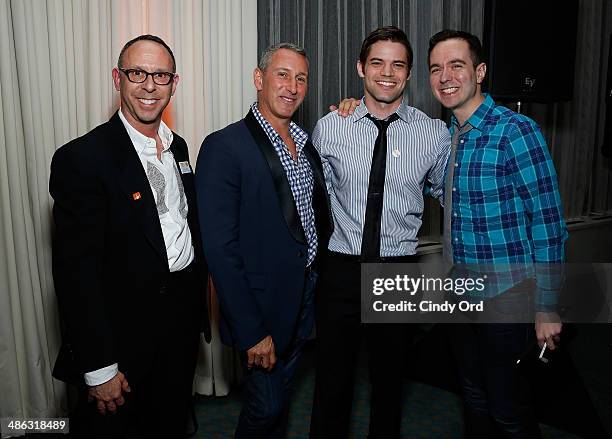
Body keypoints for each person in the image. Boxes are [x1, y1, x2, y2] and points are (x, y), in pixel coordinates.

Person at [50, 34, 210, 438]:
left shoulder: (179, 148)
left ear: (175, 83)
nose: (150, 85)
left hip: (180, 330)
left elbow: (180, 227)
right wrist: (99, 366)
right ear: (116, 78)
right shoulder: (82, 159)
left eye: (161, 75)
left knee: (170, 424)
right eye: (138, 72)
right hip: (122, 342)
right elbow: (76, 274)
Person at [309, 26, 451, 439]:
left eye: (398, 64)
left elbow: (449, 196)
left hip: (397, 270)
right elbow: (313, 200)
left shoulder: (434, 135)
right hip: (340, 269)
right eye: (377, 62)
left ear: (409, 75)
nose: (387, 73)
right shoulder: (330, 127)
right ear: (360, 68)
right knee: (332, 383)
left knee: (389, 384)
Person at [428, 29, 567, 438]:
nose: (445, 76)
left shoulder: (515, 131)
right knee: (472, 396)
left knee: (508, 409)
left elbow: (548, 224)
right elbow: (452, 199)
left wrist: (546, 307)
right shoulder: (451, 135)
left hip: (507, 297)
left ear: (480, 71)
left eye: (457, 65)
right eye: (437, 68)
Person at [196, 43, 332, 439]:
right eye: (282, 74)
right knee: (266, 405)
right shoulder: (224, 146)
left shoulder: (307, 145)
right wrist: (252, 330)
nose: (292, 86)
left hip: (303, 295)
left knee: (281, 399)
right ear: (259, 79)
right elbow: (220, 250)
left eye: (301, 77)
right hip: (259, 306)